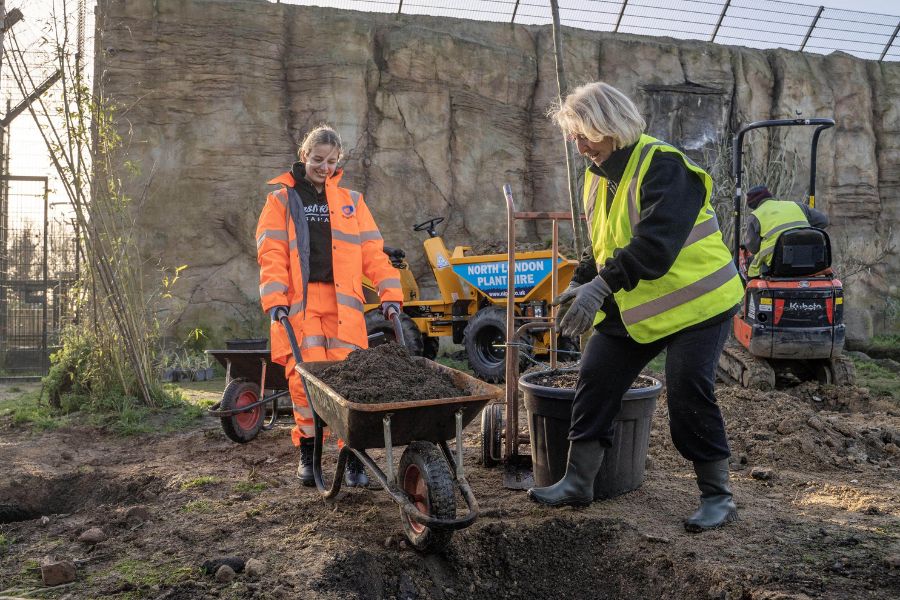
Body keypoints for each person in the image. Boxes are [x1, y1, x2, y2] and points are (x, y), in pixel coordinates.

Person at [528, 82, 744, 533]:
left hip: (701, 303)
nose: (577, 143)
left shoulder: (664, 166)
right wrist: (583, 281)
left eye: (583, 132)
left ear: (609, 124)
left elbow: (655, 246)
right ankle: (577, 482)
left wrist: (601, 287)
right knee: (596, 375)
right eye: (573, 135)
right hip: (641, 305)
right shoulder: (596, 175)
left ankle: (717, 496)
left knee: (688, 387)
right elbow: (604, 246)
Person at [256, 125, 403, 488]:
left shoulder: (351, 201)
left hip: (344, 308)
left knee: (349, 383)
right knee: (303, 383)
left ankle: (351, 457)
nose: (324, 167)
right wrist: (275, 300)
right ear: (304, 155)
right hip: (299, 306)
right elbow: (271, 253)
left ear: (340, 162)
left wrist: (390, 295)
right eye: (318, 159)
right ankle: (308, 453)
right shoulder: (280, 201)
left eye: (331, 161)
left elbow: (373, 251)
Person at [743, 185, 829, 277]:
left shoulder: (755, 215)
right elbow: (823, 221)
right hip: (811, 259)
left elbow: (753, 248)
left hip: (777, 264)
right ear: (770, 196)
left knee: (751, 269)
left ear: (753, 205)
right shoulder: (797, 205)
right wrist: (804, 232)